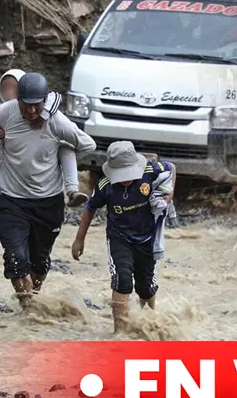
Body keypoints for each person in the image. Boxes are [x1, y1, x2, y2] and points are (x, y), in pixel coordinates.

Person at [0, 72, 96, 301]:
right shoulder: (3, 114)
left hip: (48, 202)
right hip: (12, 200)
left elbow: (88, 145)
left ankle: (30, 305)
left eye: (36, 105)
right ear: (17, 99)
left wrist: (63, 151)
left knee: (40, 262)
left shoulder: (56, 122)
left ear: (44, 102)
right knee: (15, 259)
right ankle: (27, 310)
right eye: (26, 105)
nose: (31, 111)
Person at [71, 141, 174, 334]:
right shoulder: (105, 185)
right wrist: (79, 239)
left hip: (147, 239)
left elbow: (171, 168)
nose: (126, 180)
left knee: (146, 287)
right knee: (122, 279)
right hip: (119, 238)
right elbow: (90, 208)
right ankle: (119, 334)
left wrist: (168, 196)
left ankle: (151, 318)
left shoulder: (152, 171)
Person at [0, 69, 88, 232]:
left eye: (13, 88)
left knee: (66, 149)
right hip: (15, 179)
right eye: (5, 90)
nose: (9, 94)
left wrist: (44, 116)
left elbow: (55, 96)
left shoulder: (47, 108)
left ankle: (72, 190)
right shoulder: (3, 114)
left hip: (46, 186)